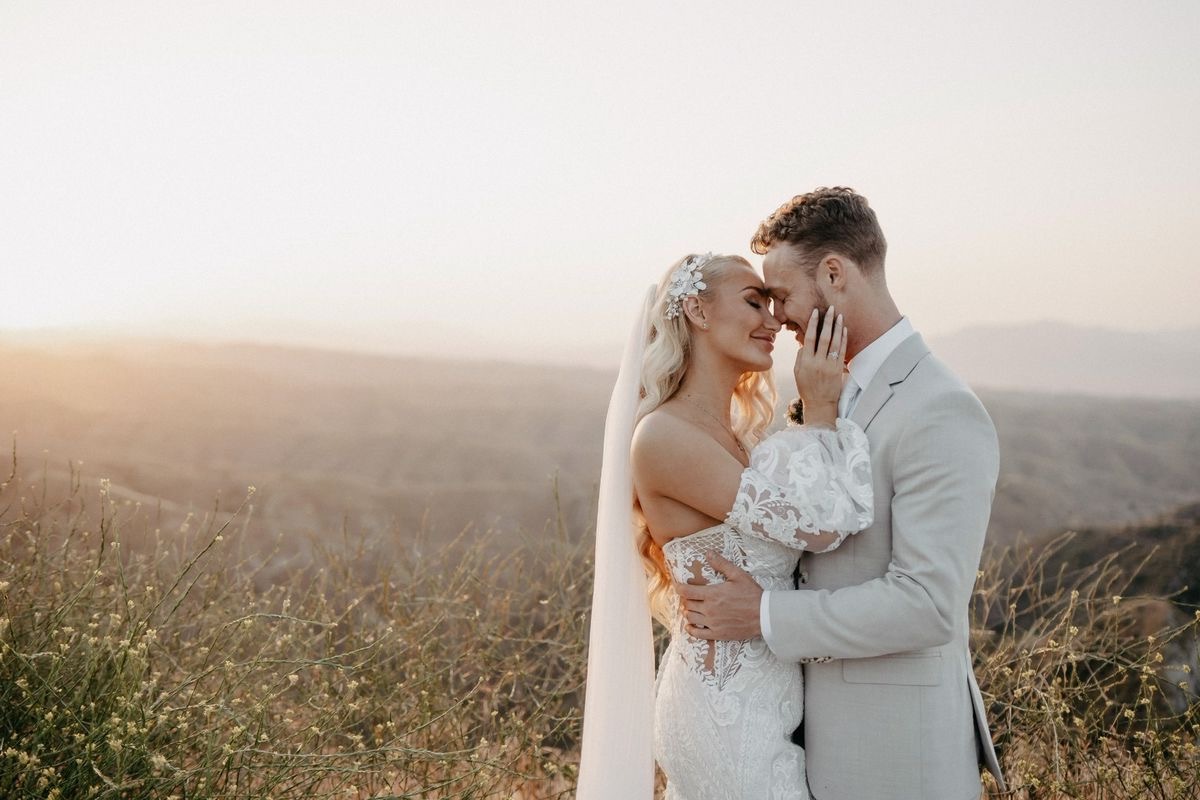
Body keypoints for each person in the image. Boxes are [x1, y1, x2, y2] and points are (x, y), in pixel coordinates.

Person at [675, 188, 1007, 799]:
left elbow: (929, 605)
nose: (777, 318)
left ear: (834, 274)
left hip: (894, 753)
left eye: (781, 296)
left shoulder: (940, 410)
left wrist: (763, 614)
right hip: (799, 739)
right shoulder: (823, 389)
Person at [577, 252, 874, 799]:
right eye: (752, 301)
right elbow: (820, 526)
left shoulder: (735, 437)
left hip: (763, 709)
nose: (772, 321)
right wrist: (822, 410)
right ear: (697, 310)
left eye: (771, 303)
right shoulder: (664, 436)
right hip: (724, 715)